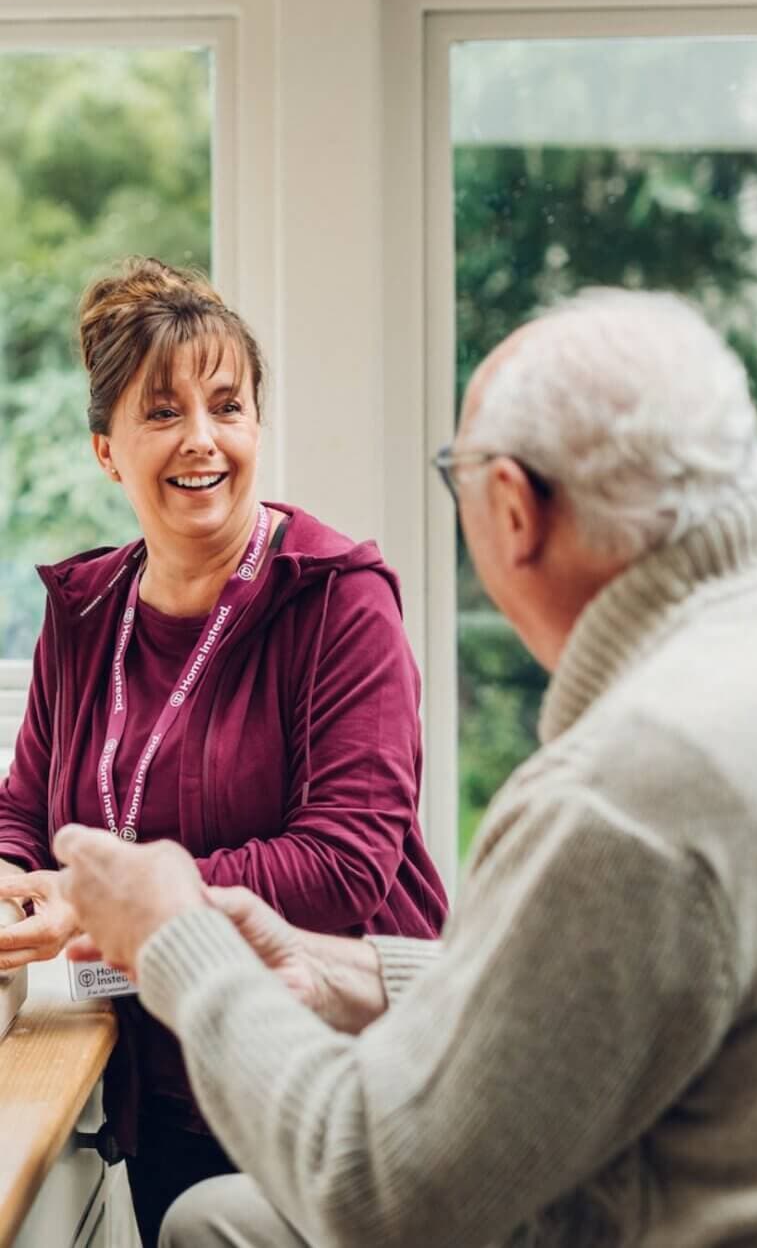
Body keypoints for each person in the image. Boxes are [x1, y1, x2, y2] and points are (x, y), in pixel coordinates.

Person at [53, 287, 757, 1248]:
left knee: (211, 1227)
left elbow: (373, 1186)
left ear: (510, 506)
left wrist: (179, 942)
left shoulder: (631, 791)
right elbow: (617, 989)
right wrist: (351, 971)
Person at [0, 259, 447, 1247]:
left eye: (227, 404)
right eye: (162, 411)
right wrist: (11, 877)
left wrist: (120, 906)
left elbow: (344, 866)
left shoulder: (336, 598)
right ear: (106, 451)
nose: (202, 439)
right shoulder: (84, 612)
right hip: (161, 1086)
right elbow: (25, 808)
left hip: (333, 1072)